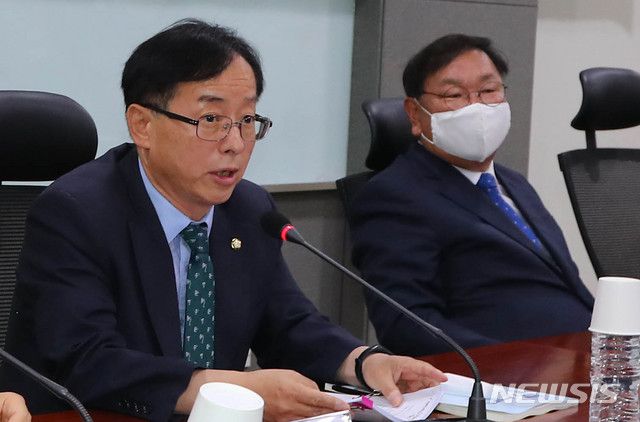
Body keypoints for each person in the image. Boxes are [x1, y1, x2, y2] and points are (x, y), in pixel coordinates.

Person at [0, 19, 446, 422]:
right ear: (142, 126)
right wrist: (231, 388)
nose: (235, 143)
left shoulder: (249, 209)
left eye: (247, 119)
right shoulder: (76, 212)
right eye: (211, 119)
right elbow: (87, 360)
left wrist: (364, 362)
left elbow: (288, 324)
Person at [349, 34, 594, 356]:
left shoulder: (514, 183)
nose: (477, 107)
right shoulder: (393, 196)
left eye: (489, 91)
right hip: (510, 372)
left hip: (593, 358)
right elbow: (406, 324)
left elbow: (565, 284)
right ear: (414, 114)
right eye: (454, 95)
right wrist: (515, 363)